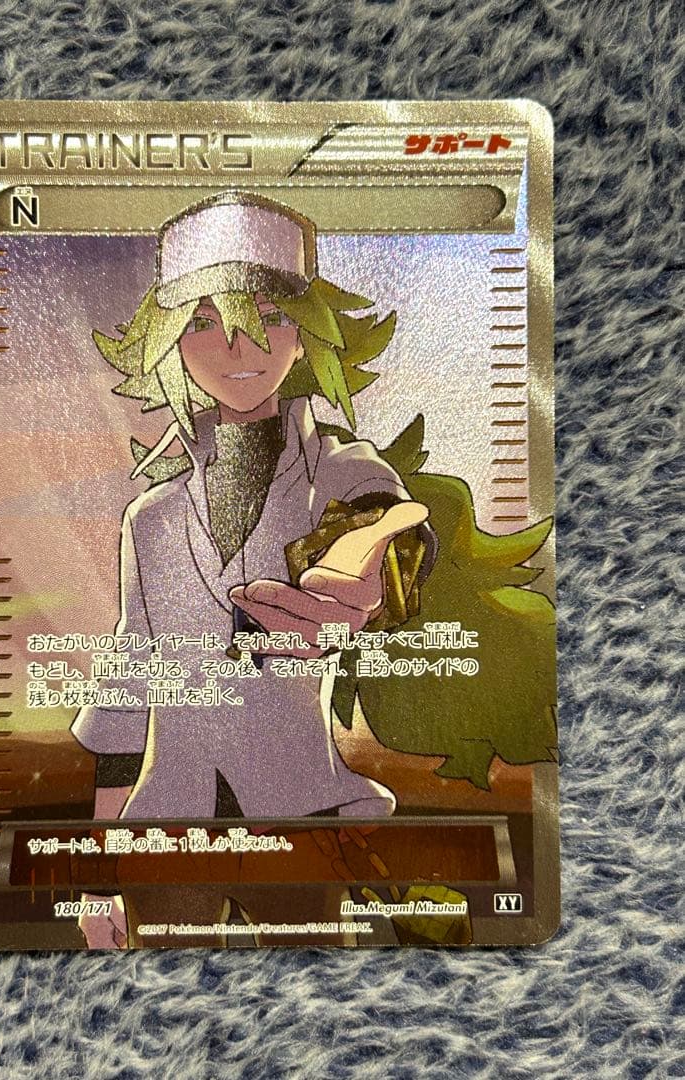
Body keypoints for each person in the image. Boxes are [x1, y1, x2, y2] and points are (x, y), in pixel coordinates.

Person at [71, 192, 435, 947]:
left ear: (305, 337)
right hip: (168, 824)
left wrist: (370, 572)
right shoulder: (151, 519)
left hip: (300, 810)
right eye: (202, 324)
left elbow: (381, 518)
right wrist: (99, 875)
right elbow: (128, 698)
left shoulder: (334, 471)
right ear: (171, 346)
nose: (239, 349)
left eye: (269, 318)